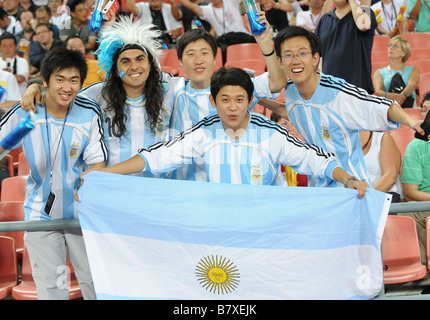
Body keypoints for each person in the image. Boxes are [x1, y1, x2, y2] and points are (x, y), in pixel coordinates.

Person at [22, 16, 287, 182]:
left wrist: (265, 44)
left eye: (140, 60)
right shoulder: (98, 94)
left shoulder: (171, 89)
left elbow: (274, 83)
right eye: (125, 61)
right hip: (123, 190)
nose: (134, 66)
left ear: (152, 65)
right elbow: (63, 94)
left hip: (168, 190)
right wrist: (35, 90)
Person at [81, 67, 368, 197]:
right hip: (219, 227)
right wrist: (102, 173)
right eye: (225, 100)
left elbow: (315, 159)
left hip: (265, 228)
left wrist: (348, 179)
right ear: (213, 101)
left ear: (250, 101)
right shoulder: (203, 133)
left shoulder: (270, 133)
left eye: (240, 100)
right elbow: (156, 158)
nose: (233, 108)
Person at [0, 46, 108, 300]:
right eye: (59, 79)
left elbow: (97, 164)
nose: (67, 87)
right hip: (40, 216)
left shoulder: (89, 112)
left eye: (74, 80)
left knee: (96, 284)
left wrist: (88, 188)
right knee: (52, 290)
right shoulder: (27, 110)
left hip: (82, 216)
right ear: (45, 81)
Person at [270, 26, 426, 188]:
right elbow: (292, 110)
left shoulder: (338, 93)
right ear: (280, 61)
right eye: (288, 55)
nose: (295, 60)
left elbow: (383, 106)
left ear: (315, 58)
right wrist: (260, 99)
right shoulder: (291, 90)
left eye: (302, 53)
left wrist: (412, 122)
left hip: (351, 190)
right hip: (318, 190)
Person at [315, 0, 377, 94]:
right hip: (330, 89)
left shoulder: (365, 12)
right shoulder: (324, 19)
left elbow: (363, 25)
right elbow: (316, 52)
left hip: (357, 87)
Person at [399, 91, 430, 266]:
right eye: (424, 110)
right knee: (408, 211)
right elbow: (411, 193)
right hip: (426, 204)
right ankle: (424, 270)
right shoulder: (415, 147)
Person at [178, 0, 256, 63]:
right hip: (225, 42)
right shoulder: (207, 10)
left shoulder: (230, 1)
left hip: (243, 37)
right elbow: (191, 6)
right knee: (219, 50)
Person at [372, 36, 419, 108]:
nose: (391, 47)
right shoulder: (378, 72)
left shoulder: (413, 70)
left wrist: (402, 96)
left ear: (404, 52)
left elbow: (410, 86)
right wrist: (395, 97)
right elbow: (379, 92)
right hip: (389, 107)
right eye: (389, 45)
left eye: (396, 46)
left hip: (409, 106)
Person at [359, 130, 403, 202]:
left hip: (382, 197)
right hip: (349, 200)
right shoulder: (338, 143)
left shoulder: (383, 139)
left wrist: (365, 199)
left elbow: (390, 177)